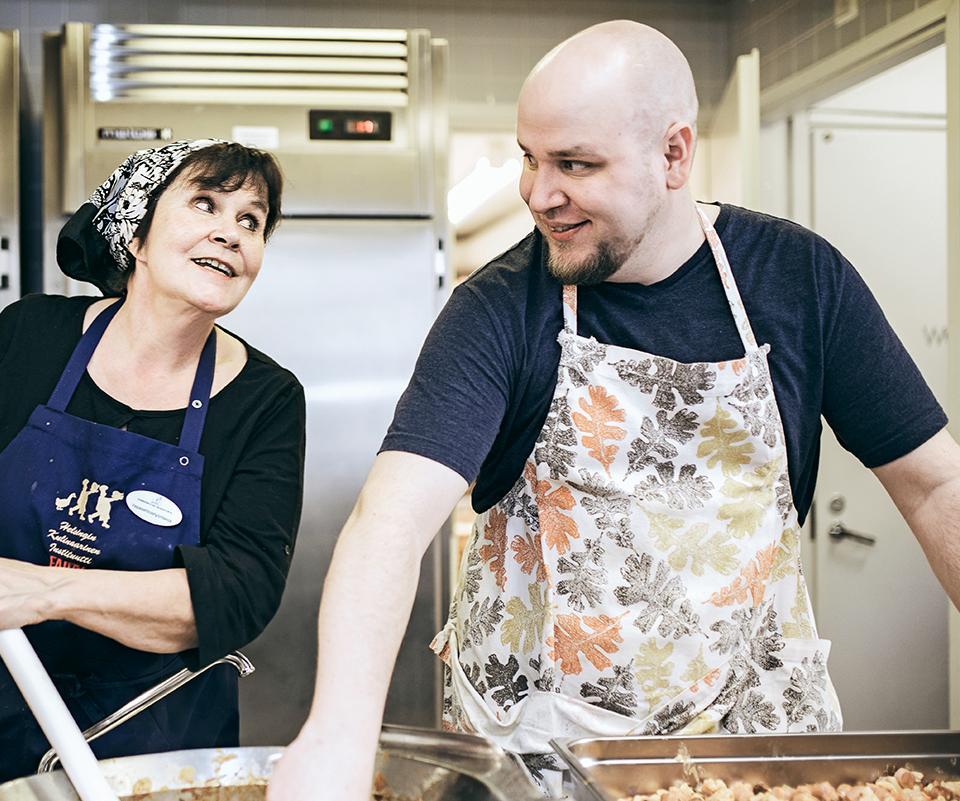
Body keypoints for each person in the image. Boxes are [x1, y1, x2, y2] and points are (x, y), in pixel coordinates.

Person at [267, 19, 960, 800]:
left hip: (754, 757)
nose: (537, 192)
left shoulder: (800, 280)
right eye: (528, 157)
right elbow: (387, 524)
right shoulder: (498, 308)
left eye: (574, 164)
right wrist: (338, 732)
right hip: (550, 754)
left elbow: (936, 486)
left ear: (674, 153)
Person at [0, 139, 306, 799]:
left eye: (251, 221)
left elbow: (237, 594)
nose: (230, 233)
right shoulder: (29, 334)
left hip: (154, 740)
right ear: (137, 234)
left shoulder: (265, 399)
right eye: (206, 203)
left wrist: (46, 591)